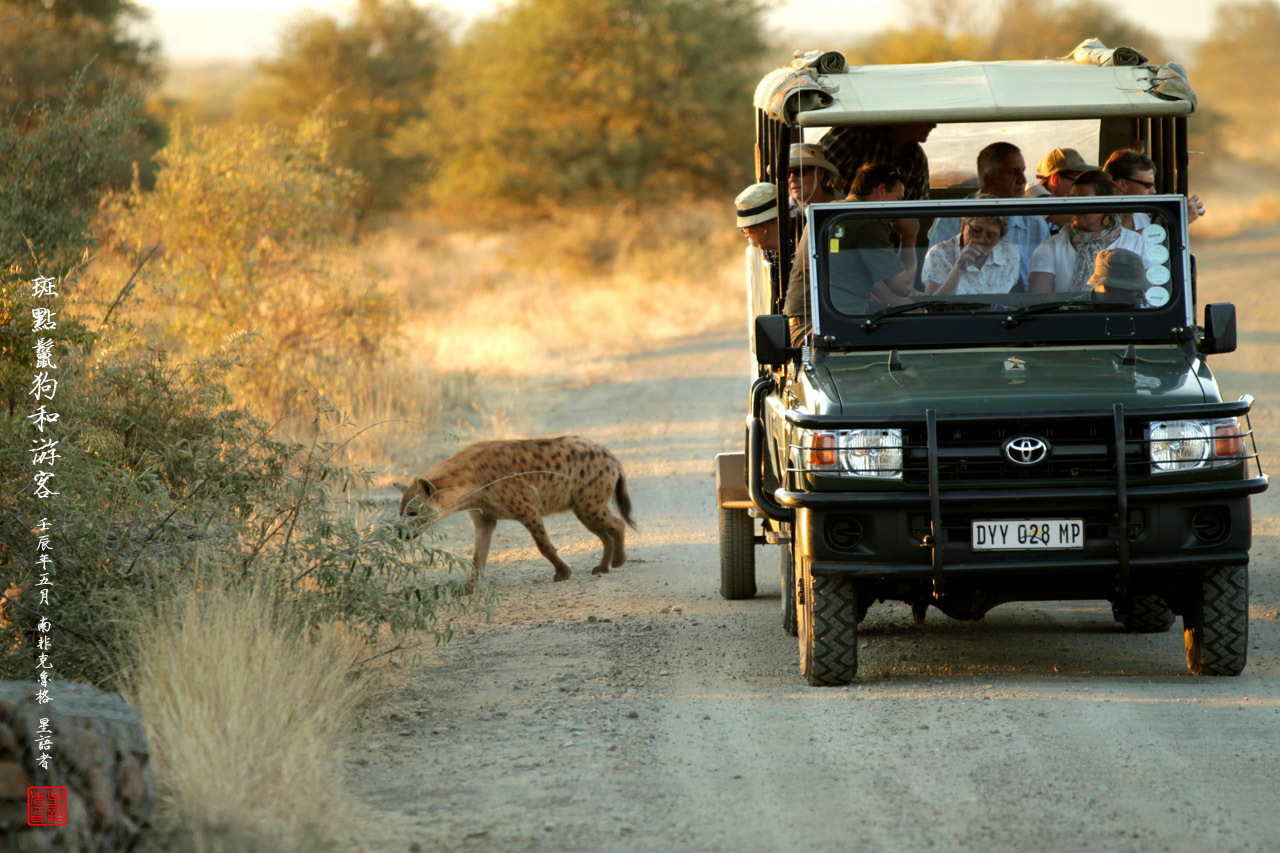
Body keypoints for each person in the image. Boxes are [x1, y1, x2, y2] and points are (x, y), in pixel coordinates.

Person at [784, 163, 918, 340]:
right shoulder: (864, 220)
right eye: (899, 200)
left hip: (812, 325)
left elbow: (880, 290)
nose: (899, 209)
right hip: (823, 329)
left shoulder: (837, 212)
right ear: (881, 190)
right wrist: (910, 236)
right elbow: (904, 287)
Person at [928, 142, 1050, 288]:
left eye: (1023, 171)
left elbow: (1044, 285)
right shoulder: (952, 217)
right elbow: (934, 279)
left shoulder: (1034, 223)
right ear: (989, 180)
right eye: (1013, 172)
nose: (1023, 180)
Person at [1028, 170, 1152, 293]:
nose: (1074, 207)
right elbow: (1040, 301)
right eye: (1071, 199)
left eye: (1083, 200)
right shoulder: (1051, 247)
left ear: (1106, 203)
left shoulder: (1139, 244)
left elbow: (1149, 295)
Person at [819, 123, 935, 200]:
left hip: (885, 236)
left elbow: (917, 211)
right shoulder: (856, 135)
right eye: (928, 118)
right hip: (838, 229)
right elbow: (808, 175)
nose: (934, 125)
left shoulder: (917, 159)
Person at [1102, 148, 1205, 228]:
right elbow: (1120, 247)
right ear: (1123, 185)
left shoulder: (1141, 218)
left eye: (1154, 186)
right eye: (1147, 185)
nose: (1153, 191)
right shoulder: (1099, 219)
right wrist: (1172, 222)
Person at [922, 215, 1021, 295]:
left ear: (999, 238)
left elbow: (1016, 300)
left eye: (990, 236)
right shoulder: (939, 253)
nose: (981, 240)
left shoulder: (1010, 253)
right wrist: (958, 268)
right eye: (976, 231)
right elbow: (933, 307)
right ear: (963, 226)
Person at [1027, 148, 1095, 229]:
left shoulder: (1065, 202)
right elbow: (1066, 219)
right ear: (1055, 179)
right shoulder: (1033, 191)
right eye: (1077, 181)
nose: (1081, 186)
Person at [735, 181, 783, 290]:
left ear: (764, 227)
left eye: (746, 229)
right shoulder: (769, 251)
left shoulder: (803, 241)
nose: (746, 236)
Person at [788, 143, 841, 210]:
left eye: (800, 171)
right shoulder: (779, 213)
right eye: (787, 173)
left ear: (819, 174)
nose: (792, 178)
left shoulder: (848, 206)